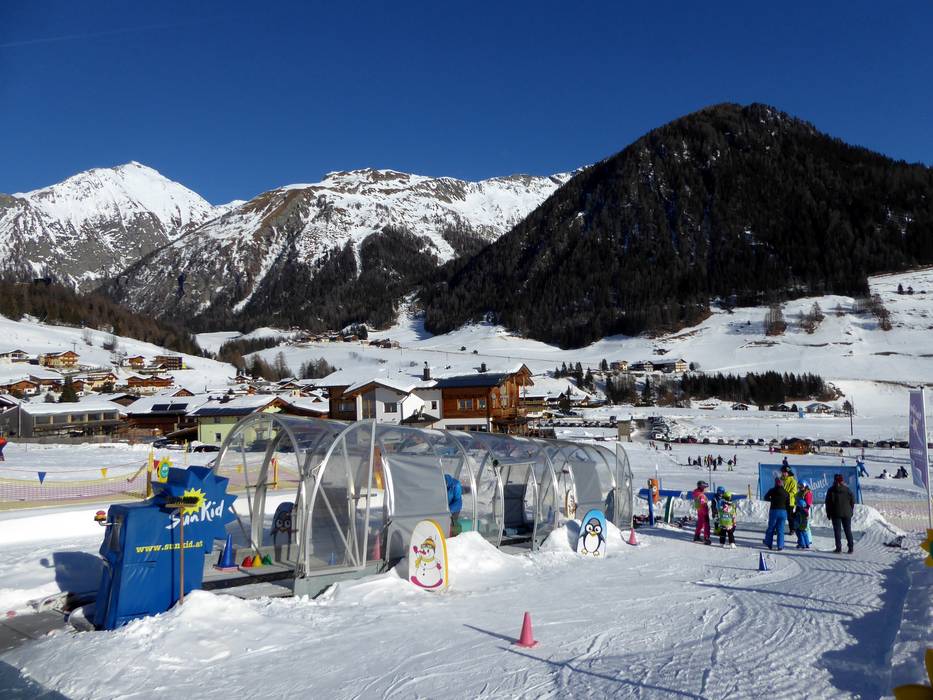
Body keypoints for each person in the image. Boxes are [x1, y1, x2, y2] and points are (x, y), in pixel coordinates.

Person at [825, 474, 855, 554]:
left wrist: (828, 513)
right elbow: (852, 501)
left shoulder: (831, 490)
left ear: (834, 481)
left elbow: (828, 503)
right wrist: (851, 510)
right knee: (848, 530)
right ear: (842, 481)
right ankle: (851, 548)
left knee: (837, 531)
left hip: (835, 513)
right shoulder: (847, 490)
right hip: (847, 513)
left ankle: (838, 548)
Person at [763, 477, 790, 550]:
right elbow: (788, 504)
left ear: (775, 483)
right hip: (783, 512)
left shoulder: (772, 490)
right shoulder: (786, 492)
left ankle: (768, 543)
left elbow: (765, 498)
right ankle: (780, 546)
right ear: (782, 484)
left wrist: (772, 500)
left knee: (771, 527)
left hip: (774, 511)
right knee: (781, 529)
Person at [692, 480, 711, 544]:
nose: (705, 489)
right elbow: (703, 503)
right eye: (704, 487)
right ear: (702, 487)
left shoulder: (696, 492)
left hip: (699, 510)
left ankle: (697, 536)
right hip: (703, 510)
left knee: (700, 523)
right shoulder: (701, 495)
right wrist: (705, 508)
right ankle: (706, 538)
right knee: (706, 524)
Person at [781, 466, 798, 535]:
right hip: (782, 501)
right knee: (781, 516)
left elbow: (794, 491)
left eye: (785, 472)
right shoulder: (781, 479)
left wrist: (787, 494)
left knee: (790, 516)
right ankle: (779, 529)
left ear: (788, 473)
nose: (784, 473)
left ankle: (792, 529)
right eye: (783, 472)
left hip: (790, 501)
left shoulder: (793, 481)